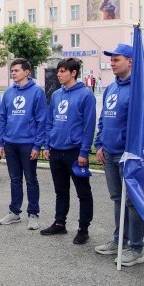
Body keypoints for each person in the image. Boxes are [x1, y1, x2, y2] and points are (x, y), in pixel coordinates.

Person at [94, 43, 144, 267]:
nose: (112, 63)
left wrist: (132, 150)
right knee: (117, 199)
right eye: (111, 60)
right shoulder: (111, 88)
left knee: (133, 202)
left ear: (130, 61)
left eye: (116, 60)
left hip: (128, 155)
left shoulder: (138, 89)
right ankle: (119, 240)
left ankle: (136, 248)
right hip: (110, 152)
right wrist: (100, 144)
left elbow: (142, 124)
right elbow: (104, 119)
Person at [41, 58, 96, 245]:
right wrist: (47, 144)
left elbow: (89, 127)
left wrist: (84, 152)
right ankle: (59, 223)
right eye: (58, 71)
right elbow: (50, 122)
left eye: (63, 71)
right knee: (61, 190)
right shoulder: (57, 95)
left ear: (73, 73)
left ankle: (83, 229)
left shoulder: (86, 96)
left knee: (83, 192)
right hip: (56, 150)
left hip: (75, 152)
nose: (59, 74)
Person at [0, 58, 46, 230]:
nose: (13, 73)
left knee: (31, 180)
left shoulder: (37, 92)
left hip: (28, 143)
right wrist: (1, 142)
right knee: (15, 179)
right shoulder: (8, 93)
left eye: (16, 70)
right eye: (12, 71)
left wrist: (37, 145)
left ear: (27, 72)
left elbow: (41, 120)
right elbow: (3, 118)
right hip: (10, 143)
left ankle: (33, 213)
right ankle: (14, 212)